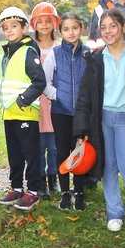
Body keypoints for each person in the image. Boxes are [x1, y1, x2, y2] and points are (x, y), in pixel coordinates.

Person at [74, 9, 125, 234]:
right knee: (108, 166)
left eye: (112, 26)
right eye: (103, 27)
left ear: (123, 27)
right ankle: (114, 213)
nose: (108, 31)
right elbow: (85, 95)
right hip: (102, 120)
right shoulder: (96, 59)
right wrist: (82, 128)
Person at [0, 6, 47, 211]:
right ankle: (16, 188)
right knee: (14, 154)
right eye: (5, 27)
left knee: (30, 153)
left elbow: (39, 82)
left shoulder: (28, 51)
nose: (9, 30)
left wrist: (23, 100)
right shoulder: (5, 56)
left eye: (14, 26)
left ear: (24, 27)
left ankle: (33, 191)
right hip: (9, 114)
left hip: (25, 112)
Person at [44, 12, 90, 210]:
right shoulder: (54, 54)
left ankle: (79, 192)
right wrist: (57, 95)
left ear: (81, 29)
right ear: (60, 31)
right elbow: (44, 82)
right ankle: (65, 192)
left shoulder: (88, 54)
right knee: (63, 151)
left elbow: (92, 83)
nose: (71, 32)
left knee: (80, 151)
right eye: (66, 29)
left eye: (75, 28)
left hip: (81, 113)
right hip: (61, 112)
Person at [31, 3, 60, 200]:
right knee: (39, 144)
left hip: (55, 100)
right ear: (34, 24)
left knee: (55, 144)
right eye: (40, 21)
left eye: (48, 20)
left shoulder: (59, 47)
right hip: (36, 102)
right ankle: (40, 179)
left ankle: (53, 176)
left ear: (54, 23)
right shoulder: (30, 47)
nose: (44, 25)